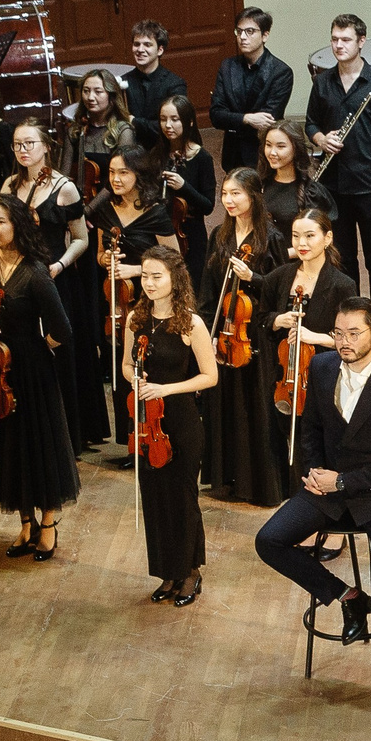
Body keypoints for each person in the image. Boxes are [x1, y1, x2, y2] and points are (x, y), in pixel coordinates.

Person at [252, 297, 371, 723]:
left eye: (353, 333)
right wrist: (315, 472)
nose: (343, 341)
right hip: (328, 488)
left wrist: (343, 481)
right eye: (338, 333)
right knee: (269, 541)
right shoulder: (321, 367)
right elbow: (312, 428)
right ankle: (348, 596)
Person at [0, 193, 81, 563]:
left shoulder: (35, 273)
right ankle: (25, 522)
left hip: (31, 372)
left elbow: (63, 329)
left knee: (37, 446)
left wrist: (39, 348)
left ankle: (48, 523)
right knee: (9, 446)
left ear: (16, 226)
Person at [124, 245, 218, 606]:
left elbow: (210, 377)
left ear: (175, 279)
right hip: (147, 422)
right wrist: (135, 379)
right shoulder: (136, 319)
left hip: (180, 420)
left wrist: (166, 388)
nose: (148, 283)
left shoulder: (191, 323)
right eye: (145, 276)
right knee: (155, 498)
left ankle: (191, 571)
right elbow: (126, 365)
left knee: (182, 497)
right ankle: (169, 571)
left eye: (156, 276)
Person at [0, 119, 94, 451]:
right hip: (18, 279)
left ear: (46, 147)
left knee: (58, 353)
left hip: (53, 276)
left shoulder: (64, 188)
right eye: (17, 144)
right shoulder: (9, 186)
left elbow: (81, 239)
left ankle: (66, 437)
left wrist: (59, 265)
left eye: (29, 143)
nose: (23, 150)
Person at [201, 170, 287, 506]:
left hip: (255, 334)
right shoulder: (219, 236)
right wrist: (207, 332)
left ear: (254, 195)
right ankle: (228, 479)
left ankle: (259, 485)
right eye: (225, 194)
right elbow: (208, 288)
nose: (229, 200)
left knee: (255, 406)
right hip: (225, 332)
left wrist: (253, 277)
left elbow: (280, 289)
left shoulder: (272, 238)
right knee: (225, 403)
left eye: (236, 193)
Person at [306, 13, 371, 307]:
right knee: (343, 258)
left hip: (370, 184)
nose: (338, 45)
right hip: (334, 186)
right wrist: (321, 139)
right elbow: (310, 123)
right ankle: (351, 316)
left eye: (346, 40)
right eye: (334, 39)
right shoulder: (323, 83)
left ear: (361, 41)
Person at [263, 207, 362, 487]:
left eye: (309, 236)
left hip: (324, 375)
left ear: (327, 238)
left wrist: (314, 337)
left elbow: (352, 339)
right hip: (285, 374)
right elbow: (262, 319)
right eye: (296, 236)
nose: (301, 243)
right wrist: (277, 320)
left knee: (317, 442)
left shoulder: (342, 285)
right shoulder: (278, 277)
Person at [89, 150, 174, 463]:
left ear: (139, 174)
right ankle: (131, 443)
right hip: (118, 302)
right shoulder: (105, 210)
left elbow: (174, 259)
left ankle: (156, 437)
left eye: (123, 172)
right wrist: (107, 260)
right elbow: (99, 254)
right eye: (112, 172)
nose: (116, 179)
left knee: (148, 367)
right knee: (121, 367)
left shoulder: (155, 212)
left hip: (150, 299)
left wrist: (137, 270)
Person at [209, 6, 296, 172]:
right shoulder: (227, 66)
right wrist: (247, 119)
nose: (242, 37)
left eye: (250, 31)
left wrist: (232, 119)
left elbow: (268, 120)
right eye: (239, 31)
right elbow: (216, 115)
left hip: (263, 153)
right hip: (232, 153)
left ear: (265, 35)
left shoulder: (281, 72)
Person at [149, 94, 218, 283]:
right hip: (161, 231)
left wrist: (183, 186)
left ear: (189, 122)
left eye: (175, 119)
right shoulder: (157, 154)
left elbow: (208, 206)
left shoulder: (202, 158)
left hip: (191, 234)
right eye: (163, 119)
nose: (168, 125)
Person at [66, 68, 136, 200]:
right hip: (79, 201)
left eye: (98, 92)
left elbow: (120, 179)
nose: (90, 97)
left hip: (113, 202)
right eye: (86, 91)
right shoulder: (75, 131)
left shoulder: (123, 131)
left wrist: (90, 209)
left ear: (111, 95)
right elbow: (64, 176)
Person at [258, 122, 332, 234]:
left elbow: (321, 236)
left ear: (296, 148)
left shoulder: (312, 192)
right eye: (268, 145)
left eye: (280, 146)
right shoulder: (259, 185)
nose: (272, 152)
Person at [121, 19, 189, 129]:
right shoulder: (123, 81)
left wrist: (135, 122)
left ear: (160, 50)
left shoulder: (175, 84)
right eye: (136, 44)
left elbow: (175, 126)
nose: (140, 50)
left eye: (147, 45)